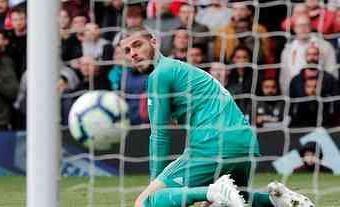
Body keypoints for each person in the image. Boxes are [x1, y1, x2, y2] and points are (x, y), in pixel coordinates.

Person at [120, 27, 314, 207]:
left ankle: (215, 190)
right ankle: (280, 200)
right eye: (127, 50)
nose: (133, 53)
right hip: (245, 142)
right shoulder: (183, 69)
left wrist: (155, 185)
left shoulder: (160, 74)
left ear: (154, 42)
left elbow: (159, 135)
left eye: (137, 45)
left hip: (213, 143)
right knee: (238, 199)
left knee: (145, 203)